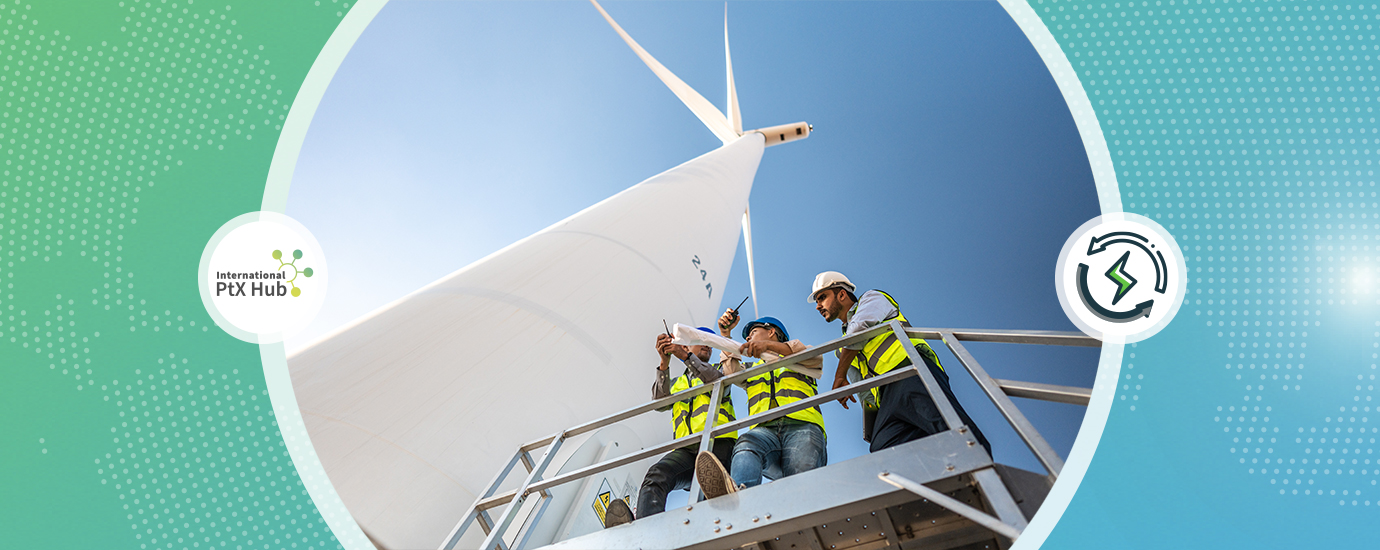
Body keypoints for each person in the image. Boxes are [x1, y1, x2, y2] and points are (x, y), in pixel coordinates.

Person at [808, 271, 991, 455]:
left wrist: (839, 376)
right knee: (883, 449)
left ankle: (983, 463)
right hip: (886, 399)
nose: (818, 306)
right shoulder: (843, 348)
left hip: (911, 372)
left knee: (946, 423)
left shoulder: (872, 298)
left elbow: (859, 329)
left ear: (842, 294)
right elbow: (863, 389)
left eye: (822, 297)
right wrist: (873, 421)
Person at [603, 327, 737, 528]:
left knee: (709, 493)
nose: (707, 346)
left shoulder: (719, 370)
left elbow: (715, 380)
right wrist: (664, 363)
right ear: (686, 345)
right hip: (686, 449)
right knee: (656, 475)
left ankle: (715, 532)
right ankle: (647, 529)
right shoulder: (678, 383)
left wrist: (684, 357)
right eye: (701, 341)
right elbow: (659, 402)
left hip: (718, 443)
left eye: (710, 343)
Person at [694, 313, 826, 499]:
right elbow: (731, 371)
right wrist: (726, 336)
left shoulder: (800, 357)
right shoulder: (752, 368)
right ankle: (739, 497)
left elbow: (814, 357)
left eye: (753, 332)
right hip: (764, 430)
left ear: (771, 332)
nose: (748, 338)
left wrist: (768, 347)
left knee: (800, 478)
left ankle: (803, 506)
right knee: (746, 445)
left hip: (802, 425)